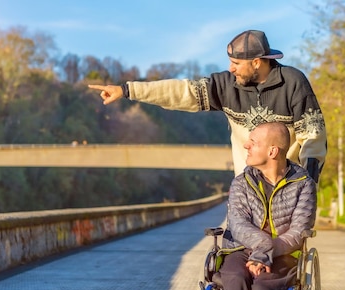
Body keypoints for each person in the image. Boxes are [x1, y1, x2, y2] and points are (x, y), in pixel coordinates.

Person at [88, 29, 327, 183]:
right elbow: (181, 91)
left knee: (284, 253)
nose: (231, 68)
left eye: (236, 63)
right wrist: (127, 90)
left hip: (289, 183)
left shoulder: (293, 82)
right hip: (248, 185)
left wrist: (307, 185)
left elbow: (313, 137)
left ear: (256, 62)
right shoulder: (225, 85)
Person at [216, 121, 317, 290]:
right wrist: (260, 250)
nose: (247, 146)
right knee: (235, 277)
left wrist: (267, 254)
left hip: (283, 255)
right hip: (240, 249)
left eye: (254, 142)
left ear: (273, 151)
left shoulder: (303, 185)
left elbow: (298, 232)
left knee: (264, 285)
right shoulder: (241, 182)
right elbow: (237, 225)